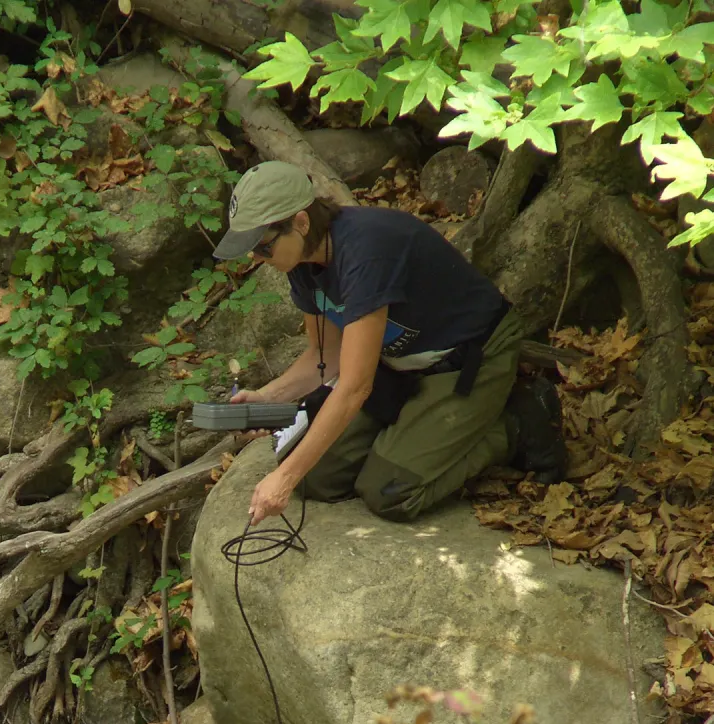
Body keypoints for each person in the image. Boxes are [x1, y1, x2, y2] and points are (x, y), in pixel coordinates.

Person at [212, 161, 566, 527]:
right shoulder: (303, 264)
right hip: (400, 364)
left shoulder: (366, 253)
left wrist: (282, 481)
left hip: (466, 357)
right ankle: (410, 436)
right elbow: (326, 354)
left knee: (389, 491)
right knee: (315, 477)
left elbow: (354, 387)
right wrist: (267, 398)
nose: (256, 258)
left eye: (263, 246)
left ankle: (517, 424)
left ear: (301, 223)